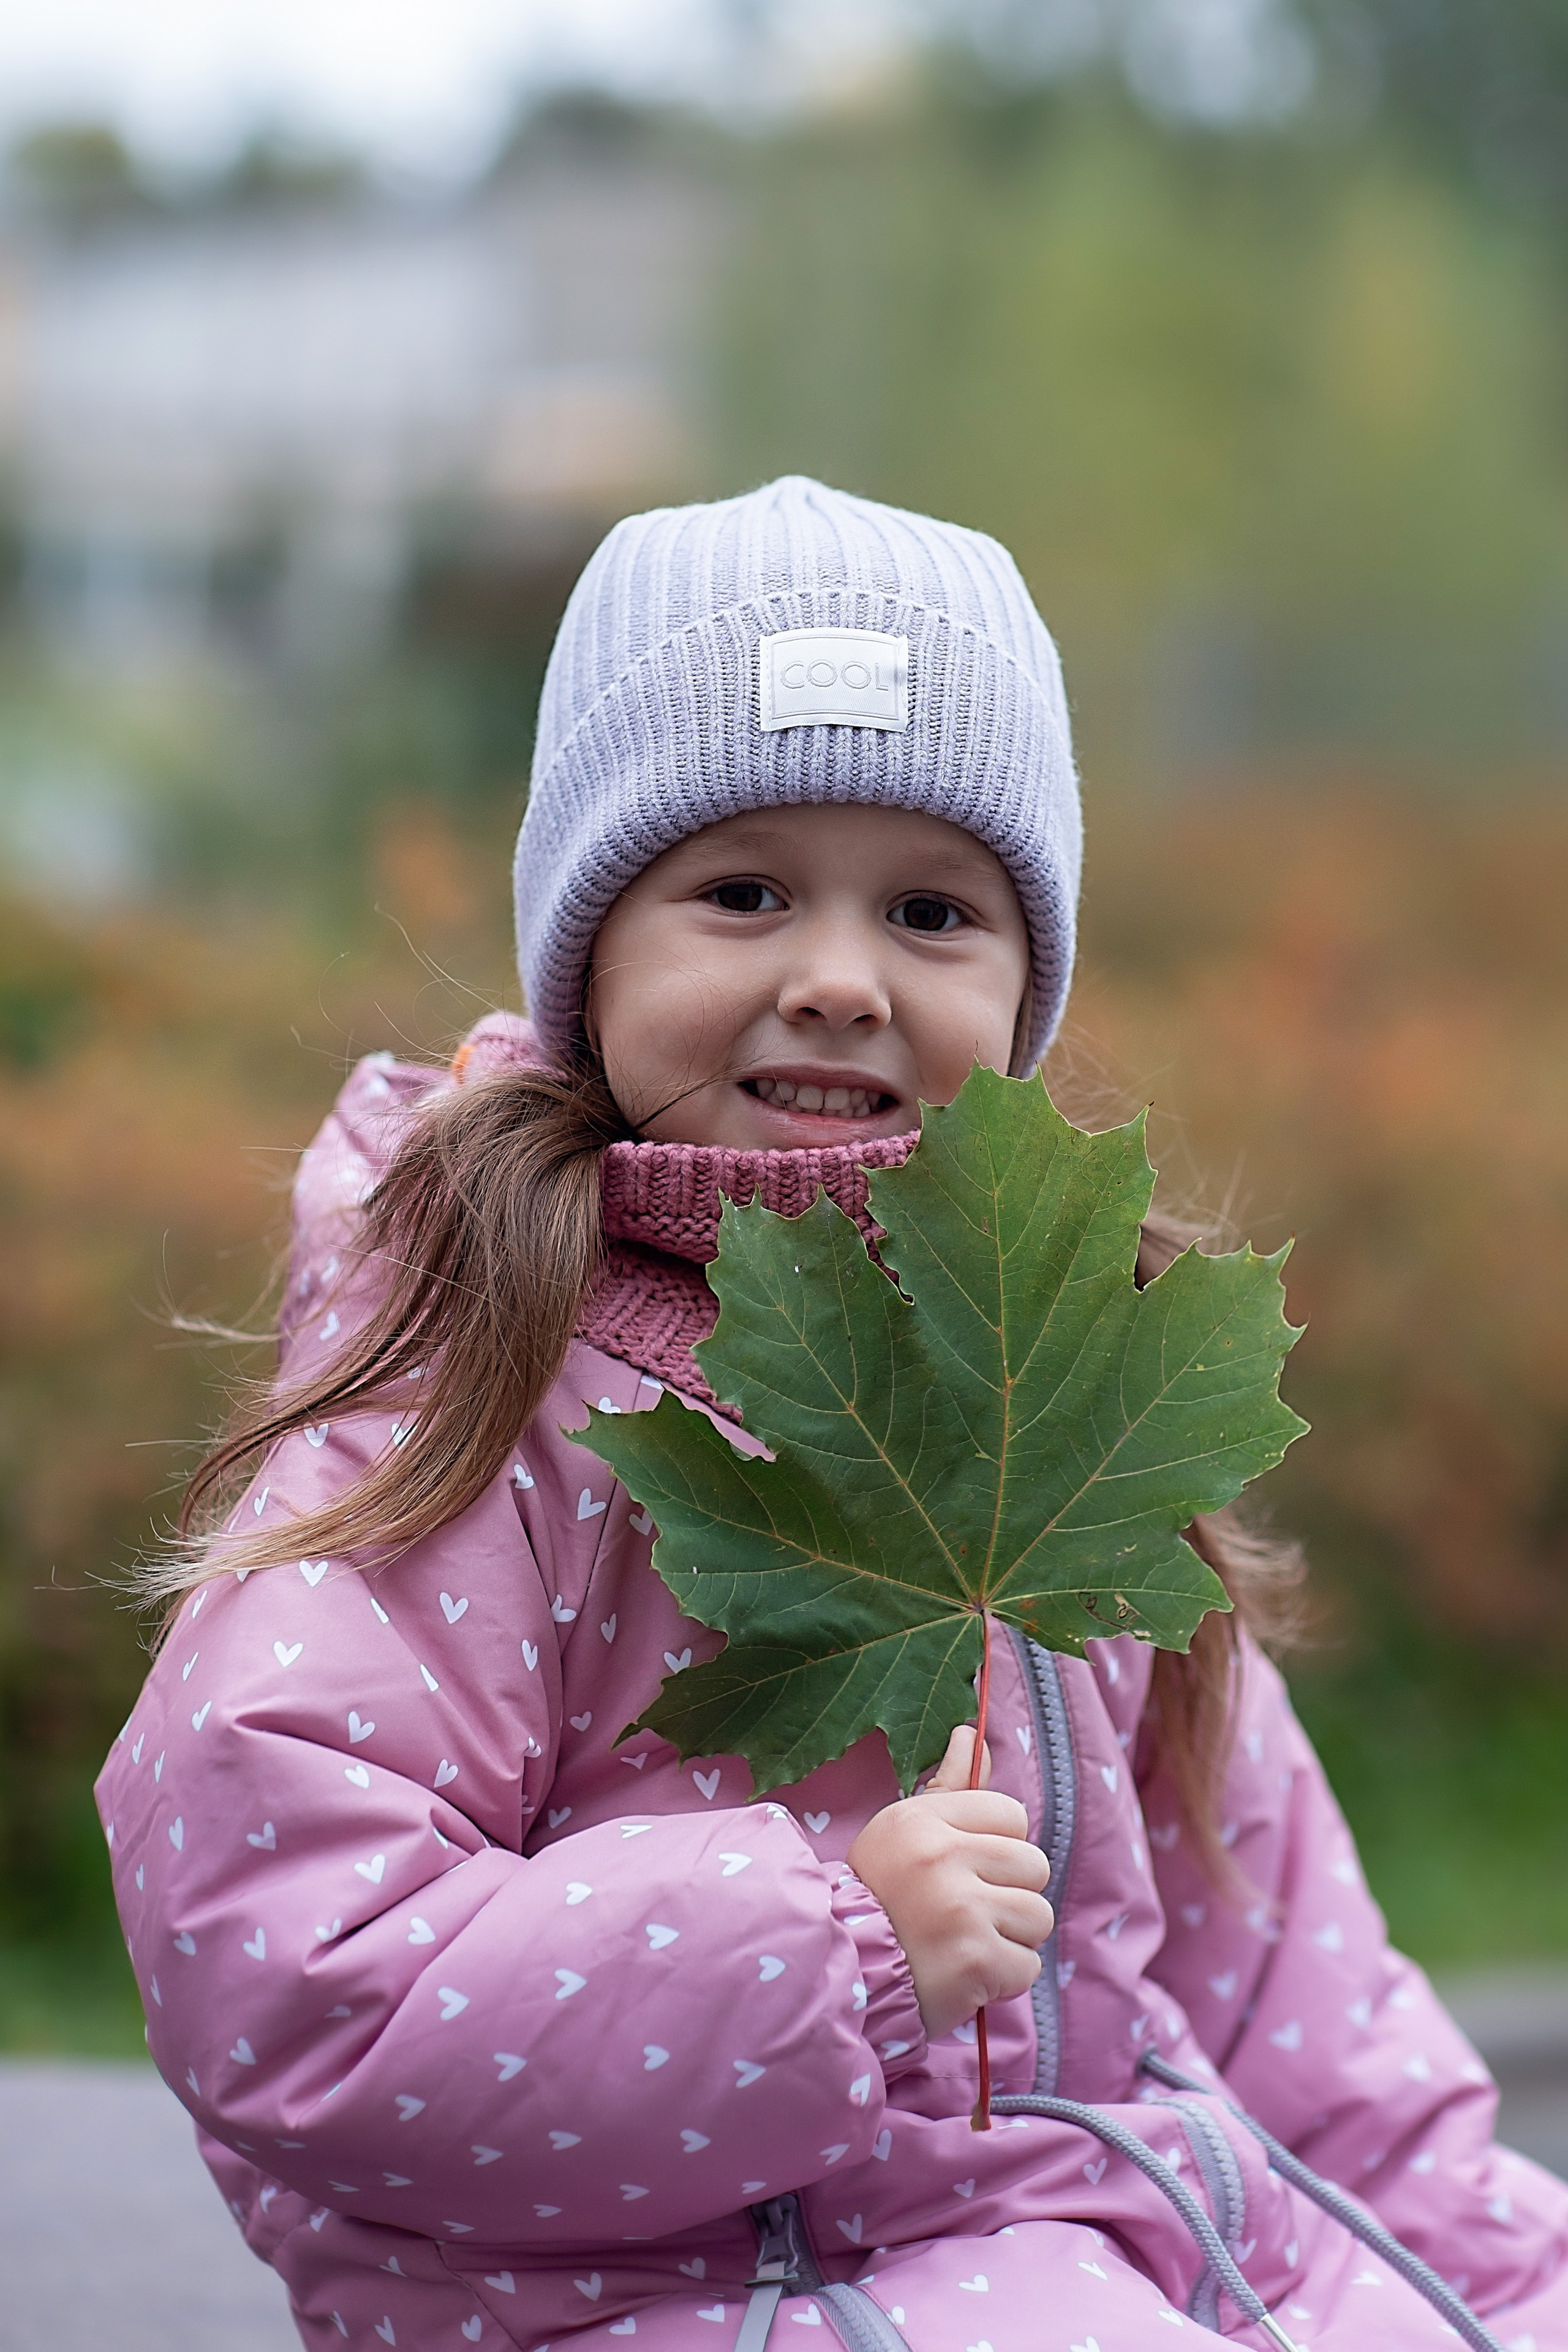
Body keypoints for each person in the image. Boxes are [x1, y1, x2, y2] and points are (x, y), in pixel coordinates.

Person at [98, 477, 1567, 2352]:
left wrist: (1507, 2298)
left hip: (1104, 2240)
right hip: (676, 2293)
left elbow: (1296, 1995)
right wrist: (837, 1949)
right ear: (589, 942)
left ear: (1027, 986)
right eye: (745, 890)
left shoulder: (1053, 1395)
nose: (842, 979)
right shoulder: (472, 1396)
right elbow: (287, 1957)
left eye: (934, 910)